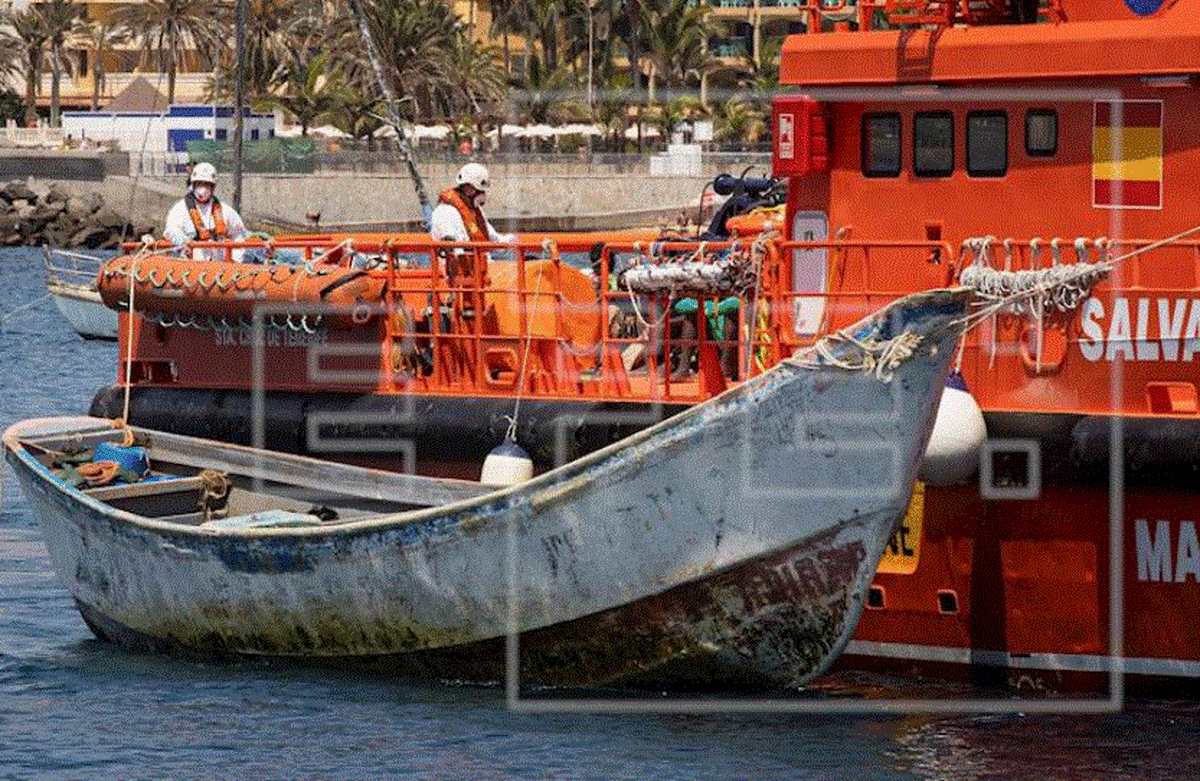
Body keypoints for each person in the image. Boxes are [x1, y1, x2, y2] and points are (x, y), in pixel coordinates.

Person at [164, 162, 249, 261]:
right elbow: (171, 230)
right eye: (199, 184)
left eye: (207, 185)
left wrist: (236, 259)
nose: (203, 189)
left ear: (213, 187)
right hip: (192, 263)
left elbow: (239, 235)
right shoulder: (180, 210)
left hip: (220, 264)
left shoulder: (226, 211)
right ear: (193, 185)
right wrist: (184, 242)